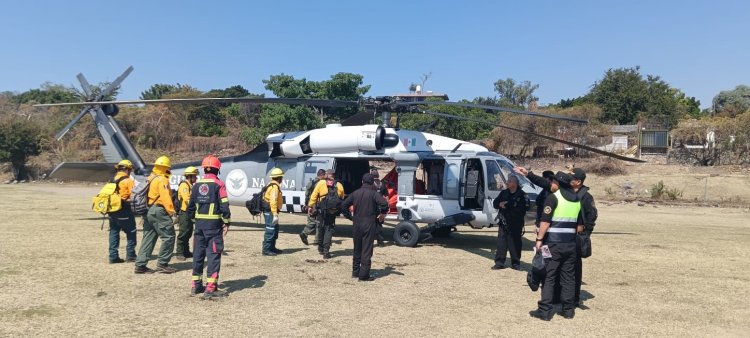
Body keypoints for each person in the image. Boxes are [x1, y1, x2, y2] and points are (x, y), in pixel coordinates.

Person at [529, 171, 584, 321]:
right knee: (568, 277)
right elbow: (579, 227)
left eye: (553, 181)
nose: (551, 183)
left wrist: (539, 238)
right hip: (570, 244)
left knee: (549, 276)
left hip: (553, 244)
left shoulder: (553, 198)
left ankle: (545, 310)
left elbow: (545, 222)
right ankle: (568, 310)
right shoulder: (576, 200)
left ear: (558, 183)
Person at [187, 155, 231, 299]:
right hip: (214, 227)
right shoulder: (219, 185)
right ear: (217, 169)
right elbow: (224, 205)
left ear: (204, 169)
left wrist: (196, 220)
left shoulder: (196, 185)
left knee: (198, 256)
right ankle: (211, 288)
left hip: (199, 226)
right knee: (213, 256)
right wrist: (227, 221)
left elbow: (190, 208)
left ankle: (196, 285)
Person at [134, 155, 177, 274]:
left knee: (148, 237)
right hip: (158, 210)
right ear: (165, 168)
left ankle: (140, 265)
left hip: (148, 210)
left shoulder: (151, 177)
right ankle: (162, 264)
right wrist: (172, 212)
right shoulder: (162, 179)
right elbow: (165, 197)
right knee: (169, 236)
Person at [341, 173, 388, 281]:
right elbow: (384, 204)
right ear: (372, 183)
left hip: (357, 223)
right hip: (369, 223)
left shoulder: (355, 193)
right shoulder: (374, 194)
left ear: (362, 181)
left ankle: (355, 272)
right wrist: (382, 213)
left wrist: (350, 217)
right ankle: (364, 275)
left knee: (357, 248)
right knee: (366, 249)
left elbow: (344, 205)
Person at [569, 168, 597, 309]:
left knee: (575, 269)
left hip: (577, 238)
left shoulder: (586, 197)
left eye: (571, 178)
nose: (569, 180)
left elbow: (592, 217)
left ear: (578, 182)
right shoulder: (565, 193)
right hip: (564, 237)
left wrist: (585, 232)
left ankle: (574, 298)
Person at [491, 175, 530, 270]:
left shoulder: (522, 195)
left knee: (515, 243)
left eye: (509, 181)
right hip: (504, 223)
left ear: (514, 183)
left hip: (516, 223)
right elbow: (495, 203)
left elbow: (526, 207)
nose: (507, 183)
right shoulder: (504, 193)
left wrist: (509, 206)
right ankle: (499, 262)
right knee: (501, 243)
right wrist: (499, 204)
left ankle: (516, 263)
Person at [307, 169, 345, 259]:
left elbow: (314, 196)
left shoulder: (321, 183)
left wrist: (310, 206)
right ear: (334, 175)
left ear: (327, 175)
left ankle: (320, 247)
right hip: (332, 211)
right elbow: (342, 197)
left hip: (321, 210)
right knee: (329, 229)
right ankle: (326, 251)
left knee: (320, 227)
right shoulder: (339, 185)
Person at [108, 159, 137, 264]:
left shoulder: (112, 178)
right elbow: (134, 196)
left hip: (112, 210)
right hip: (124, 210)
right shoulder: (128, 181)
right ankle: (131, 255)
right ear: (128, 169)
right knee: (131, 231)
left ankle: (113, 256)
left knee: (114, 232)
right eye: (130, 170)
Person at [175, 166, 199, 261]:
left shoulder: (190, 185)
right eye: (194, 176)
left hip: (189, 212)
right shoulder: (184, 185)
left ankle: (186, 251)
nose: (196, 178)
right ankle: (179, 252)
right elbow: (187, 199)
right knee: (183, 233)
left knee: (188, 232)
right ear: (190, 176)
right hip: (184, 212)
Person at [262, 167, 284, 256]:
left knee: (275, 229)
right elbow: (273, 201)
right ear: (279, 178)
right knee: (270, 229)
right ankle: (266, 249)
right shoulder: (274, 187)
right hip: (270, 211)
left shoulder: (271, 184)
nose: (282, 179)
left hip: (271, 211)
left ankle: (272, 248)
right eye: (281, 177)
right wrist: (274, 214)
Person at [299, 169, 325, 245]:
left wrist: (307, 204)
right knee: (317, 222)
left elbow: (307, 194)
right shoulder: (321, 183)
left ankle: (317, 240)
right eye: (324, 175)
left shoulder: (311, 182)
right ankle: (305, 234)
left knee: (315, 221)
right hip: (317, 204)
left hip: (311, 204)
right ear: (322, 175)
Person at [370, 168, 387, 246]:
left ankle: (370, 241)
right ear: (378, 175)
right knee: (379, 224)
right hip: (381, 207)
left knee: (370, 224)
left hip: (372, 207)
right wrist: (387, 206)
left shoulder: (370, 185)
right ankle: (380, 242)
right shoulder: (383, 184)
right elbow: (386, 196)